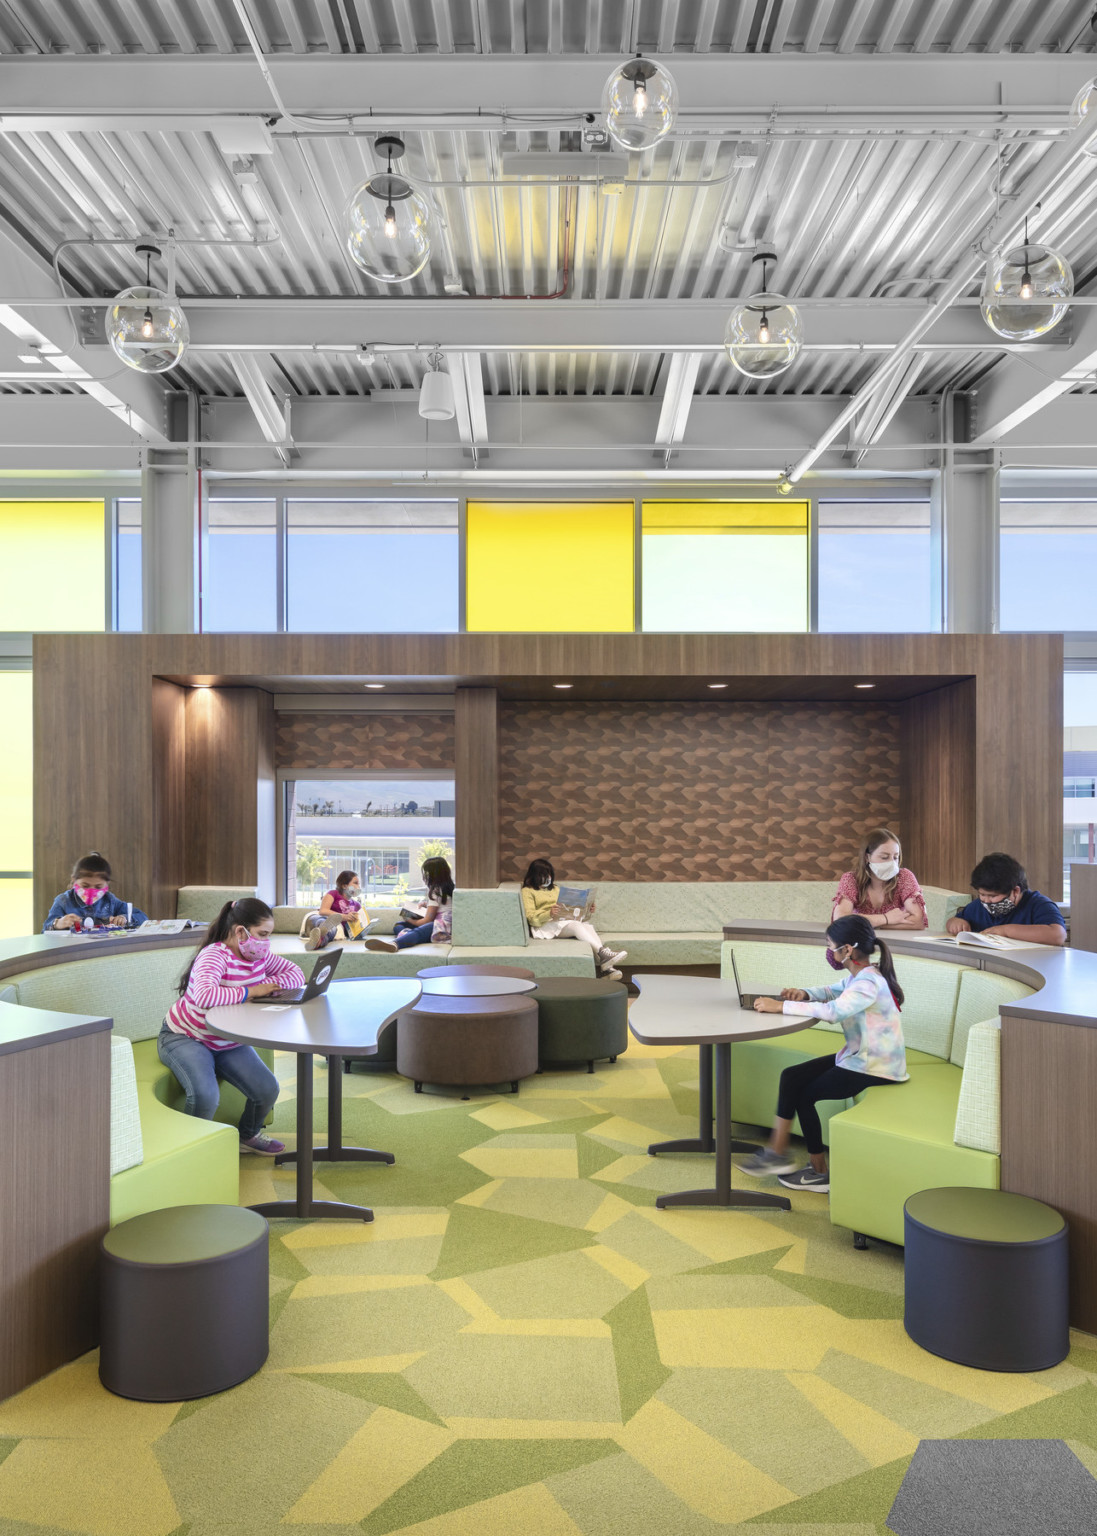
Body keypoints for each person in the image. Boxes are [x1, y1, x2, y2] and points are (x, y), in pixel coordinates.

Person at [739, 914, 908, 1192]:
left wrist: (780, 1007)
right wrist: (803, 994)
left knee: (804, 1095)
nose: (830, 952)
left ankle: (818, 1172)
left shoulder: (868, 984)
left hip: (876, 1066)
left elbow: (833, 1011)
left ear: (848, 950)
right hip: (860, 1057)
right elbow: (831, 992)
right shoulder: (861, 976)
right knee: (792, 1076)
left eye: (831, 946)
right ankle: (777, 1153)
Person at [158, 897, 304, 1156]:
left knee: (267, 1089)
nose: (266, 943)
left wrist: (266, 985)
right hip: (186, 1036)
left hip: (227, 1040)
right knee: (205, 1096)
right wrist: (253, 990)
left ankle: (247, 1135)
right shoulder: (214, 955)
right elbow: (205, 996)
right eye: (262, 934)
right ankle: (191, 1151)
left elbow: (296, 975)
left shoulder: (259, 957)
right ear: (241, 932)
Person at [519, 858, 627, 980]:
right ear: (534, 875)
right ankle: (603, 954)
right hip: (544, 925)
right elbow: (531, 917)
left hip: (562, 921)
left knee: (586, 926)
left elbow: (569, 908)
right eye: (543, 874)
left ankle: (606, 968)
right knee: (576, 926)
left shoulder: (556, 889)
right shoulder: (527, 891)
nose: (547, 877)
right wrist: (549, 913)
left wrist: (587, 909)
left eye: (549, 874)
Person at [946, 852, 1066, 947]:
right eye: (982, 894)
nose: (987, 901)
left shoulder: (1039, 905)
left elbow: (1058, 935)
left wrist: (1005, 931)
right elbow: (954, 921)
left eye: (993, 896)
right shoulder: (978, 905)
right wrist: (955, 923)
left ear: (1015, 891)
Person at [831, 827, 927, 931]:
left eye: (895, 857)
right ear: (867, 858)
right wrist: (886, 918)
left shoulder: (904, 876)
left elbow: (919, 921)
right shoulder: (851, 879)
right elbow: (841, 920)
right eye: (884, 857)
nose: (892, 863)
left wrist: (874, 924)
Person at [43, 851, 148, 932]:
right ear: (73, 880)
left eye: (98, 887)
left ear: (107, 885)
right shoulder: (63, 901)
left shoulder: (110, 901)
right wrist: (57, 923)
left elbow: (143, 917)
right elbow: (45, 930)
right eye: (85, 886)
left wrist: (124, 918)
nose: (91, 892)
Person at [366, 856, 454, 951]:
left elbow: (426, 921)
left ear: (432, 874)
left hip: (440, 929)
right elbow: (443, 905)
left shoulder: (435, 891)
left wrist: (408, 919)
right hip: (448, 926)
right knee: (398, 925)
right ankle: (412, 936)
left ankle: (396, 944)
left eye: (426, 873)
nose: (425, 876)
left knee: (422, 928)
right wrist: (426, 904)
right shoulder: (449, 888)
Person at [303, 869, 364, 951]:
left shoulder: (357, 905)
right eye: (355, 883)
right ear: (344, 886)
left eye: (359, 884)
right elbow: (323, 911)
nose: (358, 887)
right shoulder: (333, 893)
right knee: (324, 922)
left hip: (337, 928)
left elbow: (356, 928)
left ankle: (317, 943)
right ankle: (320, 931)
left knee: (332, 930)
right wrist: (344, 917)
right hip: (321, 918)